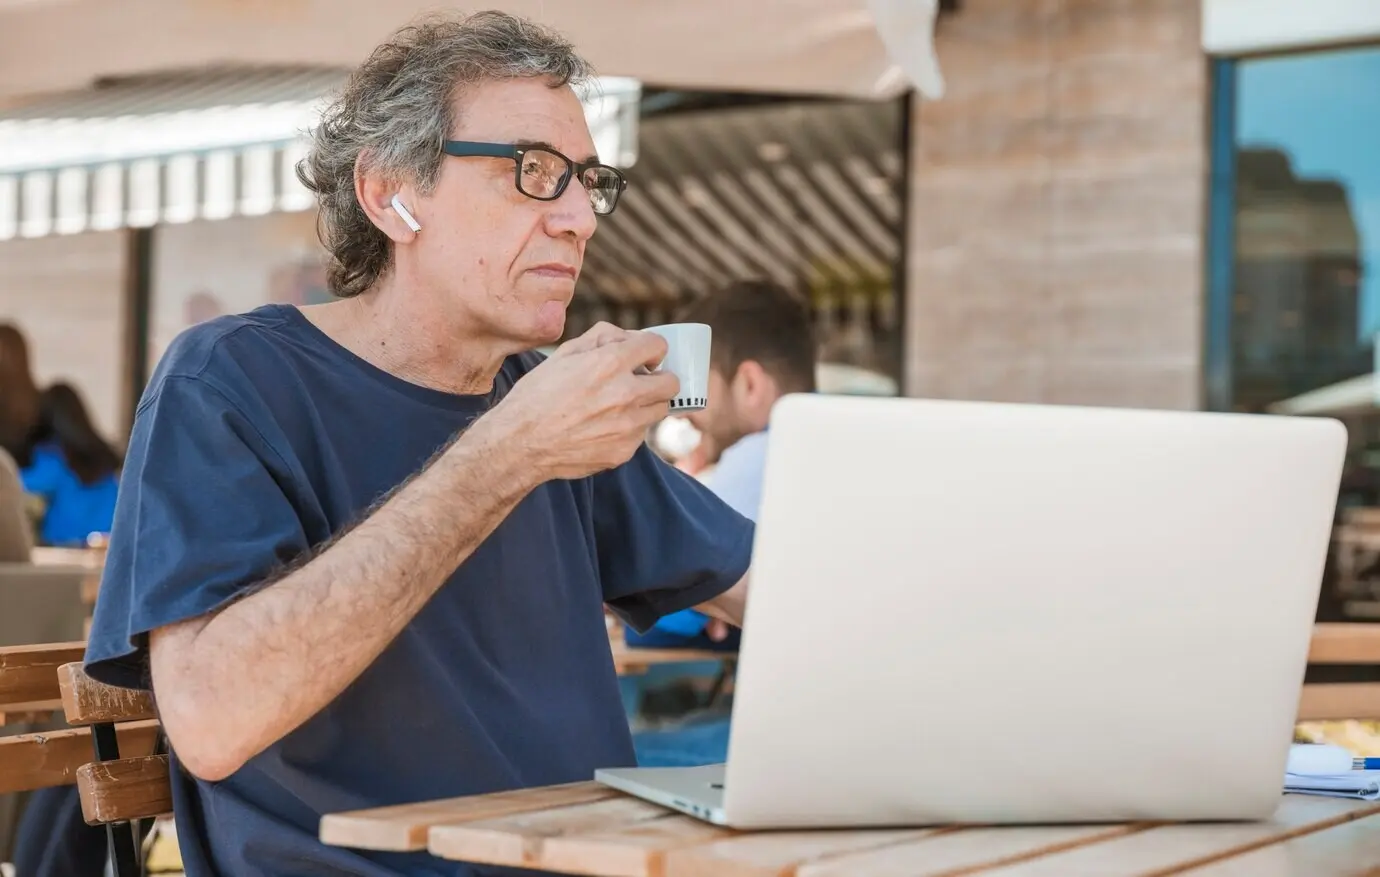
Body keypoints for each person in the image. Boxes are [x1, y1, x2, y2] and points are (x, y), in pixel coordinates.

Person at [82, 11, 753, 876]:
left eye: (588, 181)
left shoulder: (540, 398)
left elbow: (771, 587)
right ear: (390, 193)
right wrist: (507, 452)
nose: (579, 217)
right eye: (534, 171)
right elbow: (211, 719)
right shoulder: (230, 381)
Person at [630, 279, 817, 649]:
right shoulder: (833, 446)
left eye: (696, 386)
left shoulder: (757, 454)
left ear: (750, 384)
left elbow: (659, 622)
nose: (682, 413)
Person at [21, 382, 121, 546]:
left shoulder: (52, 455)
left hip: (63, 547)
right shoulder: (103, 455)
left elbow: (16, 482)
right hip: (106, 544)